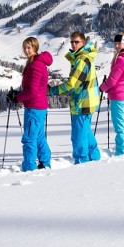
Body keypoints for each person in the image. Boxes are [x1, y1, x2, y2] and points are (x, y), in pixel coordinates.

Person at [48, 31, 101, 164]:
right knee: (86, 132)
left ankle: (81, 163)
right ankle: (95, 158)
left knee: (78, 137)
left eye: (77, 42)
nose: (74, 44)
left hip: (82, 102)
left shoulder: (82, 60)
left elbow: (72, 84)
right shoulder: (85, 57)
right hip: (88, 101)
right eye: (72, 42)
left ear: (83, 43)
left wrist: (52, 90)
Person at [9, 37, 53, 171]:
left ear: (35, 48)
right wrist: (18, 94)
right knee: (38, 137)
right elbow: (32, 87)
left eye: (29, 47)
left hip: (34, 107)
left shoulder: (36, 65)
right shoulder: (35, 62)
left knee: (29, 138)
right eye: (24, 47)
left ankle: (29, 168)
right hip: (38, 106)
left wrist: (17, 98)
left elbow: (32, 91)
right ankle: (45, 163)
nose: (26, 50)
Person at [99, 33, 124, 155]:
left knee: (120, 127)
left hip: (118, 97)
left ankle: (121, 153)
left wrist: (102, 88)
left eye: (119, 43)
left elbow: (112, 80)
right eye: (115, 43)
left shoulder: (122, 60)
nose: (116, 46)